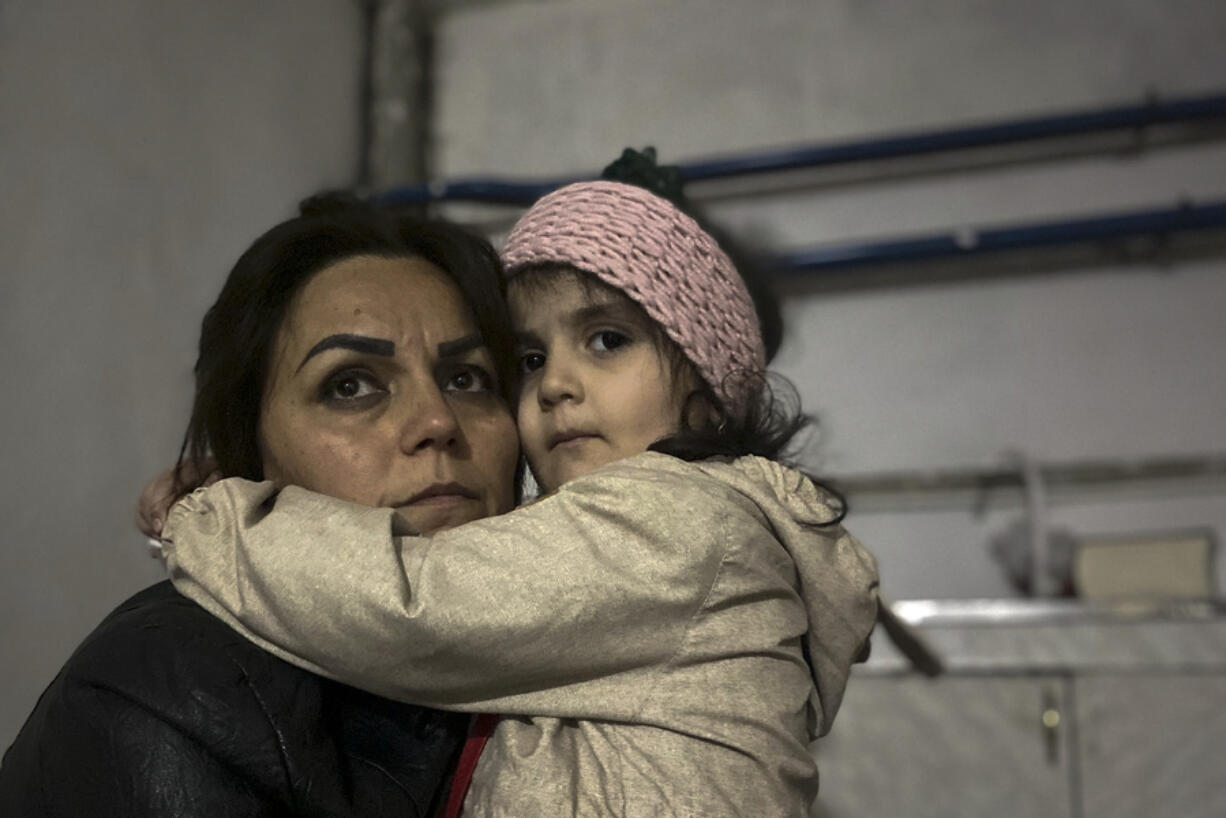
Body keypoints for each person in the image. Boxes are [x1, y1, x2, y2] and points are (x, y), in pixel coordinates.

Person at [157, 153, 882, 816]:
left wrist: (213, 518)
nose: (557, 385)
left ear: (708, 389)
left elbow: (418, 607)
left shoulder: (683, 523)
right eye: (530, 357)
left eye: (607, 339)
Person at [0, 195, 522, 817]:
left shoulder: (578, 635)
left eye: (467, 379)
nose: (437, 421)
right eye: (349, 385)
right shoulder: (172, 700)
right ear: (251, 451)